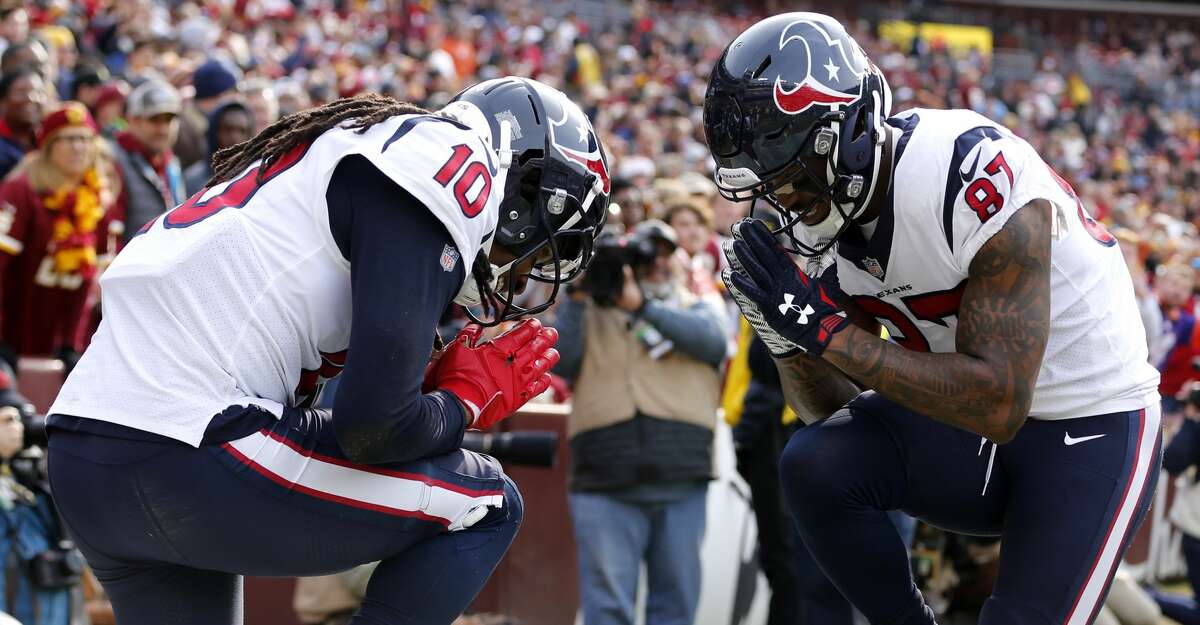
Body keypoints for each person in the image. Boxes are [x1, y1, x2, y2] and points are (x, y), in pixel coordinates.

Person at [44, 77, 609, 625]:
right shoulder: (448, 157)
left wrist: (418, 389)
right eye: (541, 242)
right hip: (187, 444)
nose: (525, 267)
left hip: (82, 451)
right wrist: (461, 401)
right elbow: (373, 430)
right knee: (486, 502)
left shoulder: (326, 160)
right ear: (527, 188)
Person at [705, 12, 1162, 625]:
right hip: (972, 429)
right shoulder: (823, 222)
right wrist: (786, 340)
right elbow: (830, 412)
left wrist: (824, 330)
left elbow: (999, 403)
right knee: (814, 461)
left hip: (1091, 424)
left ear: (853, 128)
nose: (785, 200)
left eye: (794, 176)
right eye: (771, 184)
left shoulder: (966, 171)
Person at [552, 220, 727, 625]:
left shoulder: (696, 302)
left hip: (681, 474)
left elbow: (713, 342)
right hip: (604, 476)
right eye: (645, 258)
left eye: (665, 255)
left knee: (676, 605)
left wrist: (642, 307)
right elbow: (563, 360)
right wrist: (578, 294)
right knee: (607, 608)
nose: (656, 265)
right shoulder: (589, 309)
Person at [0, 102, 122, 375]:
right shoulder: (21, 191)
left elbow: (99, 281)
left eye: (84, 139)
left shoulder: (99, 200)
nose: (78, 147)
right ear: (49, 145)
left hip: (63, 345)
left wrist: (75, 343)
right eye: (68, 139)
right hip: (13, 336)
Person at [110, 79, 186, 243]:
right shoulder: (113, 160)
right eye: (154, 119)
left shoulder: (170, 162)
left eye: (168, 119)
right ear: (133, 120)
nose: (163, 128)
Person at [175, 58, 241, 169]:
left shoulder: (209, 121)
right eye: (233, 92)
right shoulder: (183, 130)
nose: (238, 98)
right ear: (218, 95)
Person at [183, 100, 253, 196]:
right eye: (228, 129)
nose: (235, 137)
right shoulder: (192, 180)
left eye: (242, 130)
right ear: (214, 131)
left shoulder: (256, 176)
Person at [0, 69, 47, 180]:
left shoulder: (51, 138)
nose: (31, 98)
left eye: (39, 92)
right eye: (21, 92)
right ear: (2, 102)